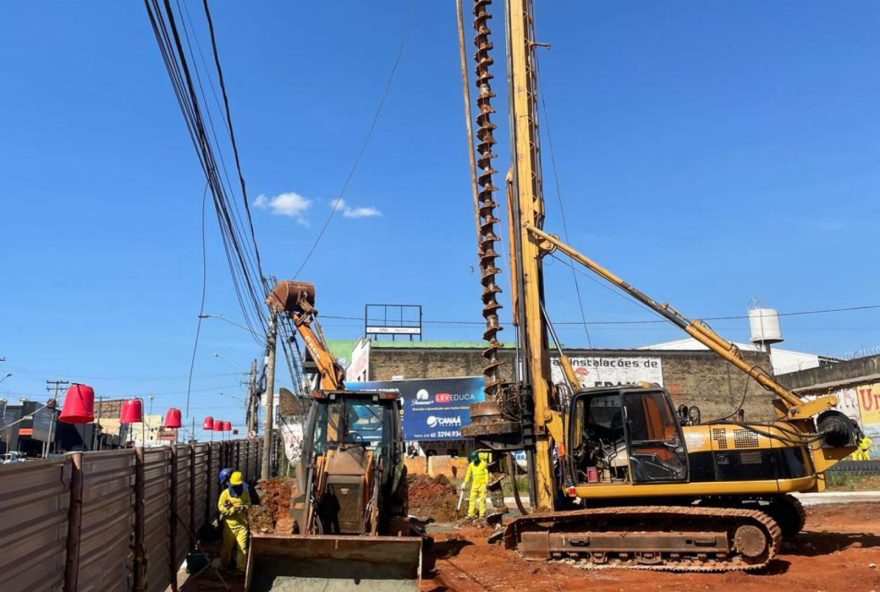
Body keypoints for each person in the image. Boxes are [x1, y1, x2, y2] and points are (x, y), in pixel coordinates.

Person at [218, 471, 251, 571]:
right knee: (226, 547)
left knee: (242, 548)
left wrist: (244, 507)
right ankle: (224, 564)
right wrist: (231, 510)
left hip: (242, 524)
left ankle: (241, 568)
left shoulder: (244, 492)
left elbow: (249, 503)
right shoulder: (225, 494)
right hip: (230, 526)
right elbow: (220, 507)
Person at [462, 450, 490, 520]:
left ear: (478, 458)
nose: (475, 461)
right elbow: (468, 474)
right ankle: (470, 514)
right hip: (475, 484)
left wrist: (487, 483)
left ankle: (482, 515)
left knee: (482, 500)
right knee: (472, 499)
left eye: (476, 459)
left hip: (482, 485)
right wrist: (465, 482)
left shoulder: (483, 464)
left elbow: (486, 474)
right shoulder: (471, 465)